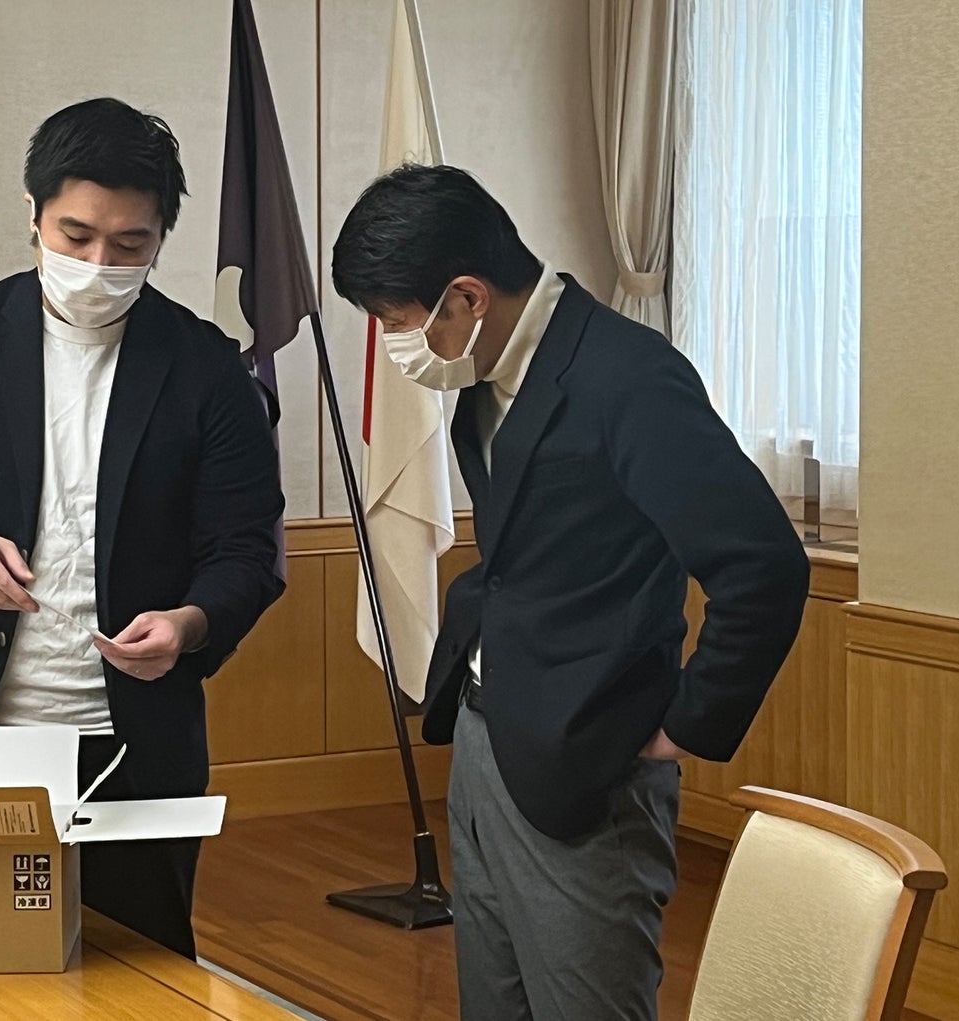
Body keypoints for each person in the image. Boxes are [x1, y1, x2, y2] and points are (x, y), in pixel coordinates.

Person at [332, 164, 810, 1019]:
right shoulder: (485, 372)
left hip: (590, 761)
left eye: (395, 322)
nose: (391, 344)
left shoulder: (629, 378)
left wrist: (685, 724)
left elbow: (765, 565)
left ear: (466, 297)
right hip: (486, 735)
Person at [0, 97, 286, 959]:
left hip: (132, 749)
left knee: (141, 980)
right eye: (75, 236)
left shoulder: (205, 367)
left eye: (129, 245)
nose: (97, 265)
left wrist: (190, 623)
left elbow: (246, 551)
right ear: (33, 215)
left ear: (161, 239)